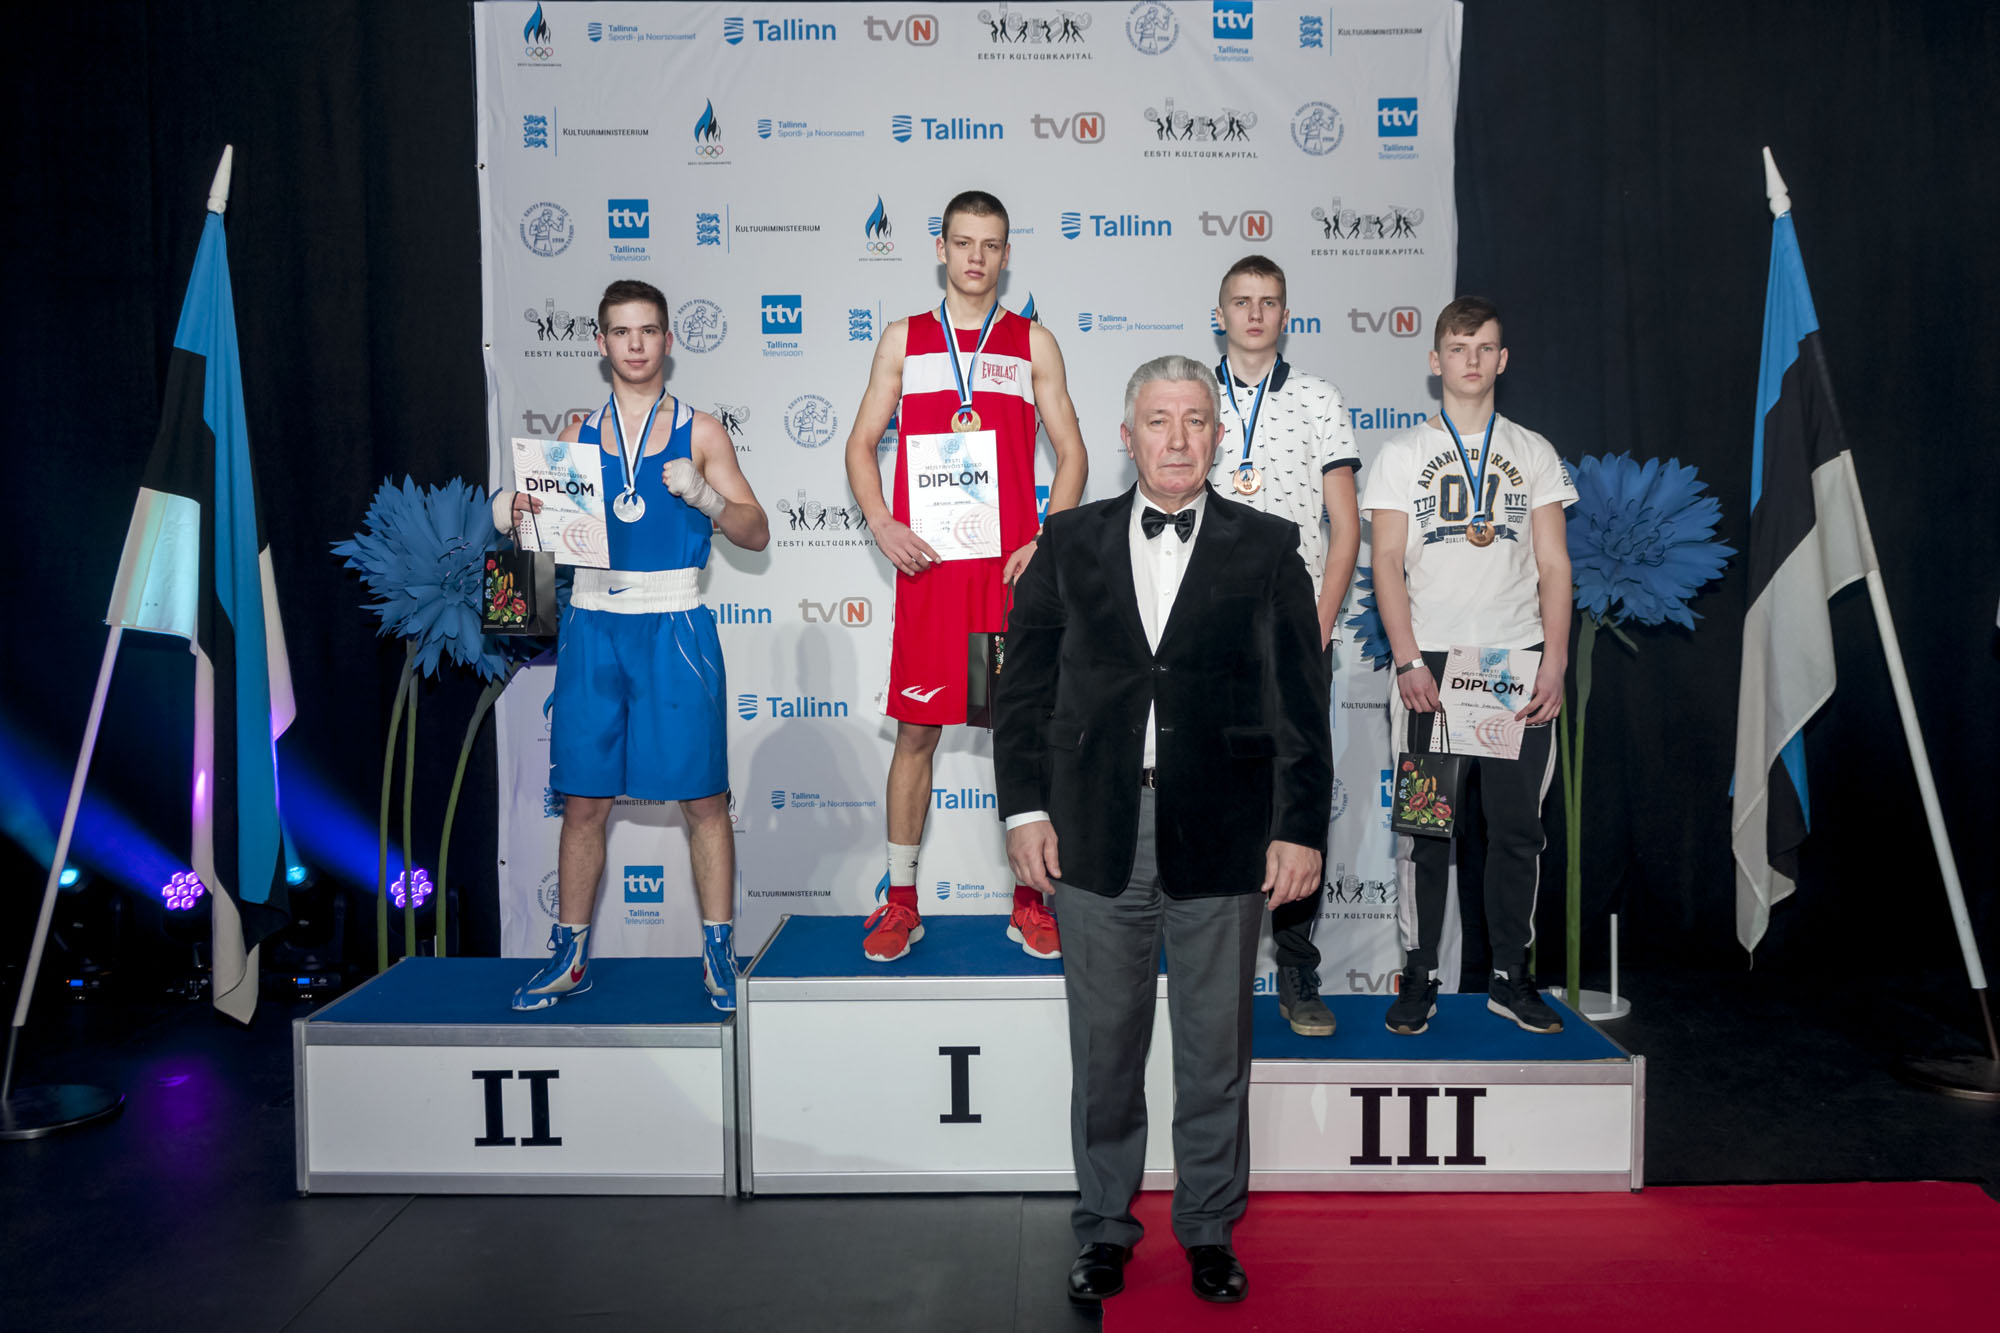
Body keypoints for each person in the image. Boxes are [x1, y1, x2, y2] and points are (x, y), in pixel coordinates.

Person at [995, 356, 1330, 1307]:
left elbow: (1301, 701)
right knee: (1105, 1049)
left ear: (1217, 436)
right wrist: (1024, 809)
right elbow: (1021, 693)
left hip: (1227, 829)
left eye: (1194, 420)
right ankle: (1104, 1227)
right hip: (1092, 828)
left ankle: (1210, 1229)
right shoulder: (1066, 540)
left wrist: (1299, 826)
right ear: (1126, 434)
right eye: (1158, 420)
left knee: (1215, 1051)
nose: (1177, 438)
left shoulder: (1269, 545)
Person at [493, 279, 769, 1013]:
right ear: (601, 342)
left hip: (674, 623)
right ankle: (569, 956)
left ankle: (718, 954)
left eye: (648, 330)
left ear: (668, 342)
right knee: (584, 801)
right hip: (592, 624)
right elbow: (532, 535)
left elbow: (756, 531)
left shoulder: (701, 431)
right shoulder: (576, 435)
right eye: (621, 331)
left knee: (704, 799)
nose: (636, 344)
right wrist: (509, 507)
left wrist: (707, 497)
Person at [843, 190, 1088, 963]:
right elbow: (859, 443)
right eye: (963, 242)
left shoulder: (1034, 342)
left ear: (1007, 255)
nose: (976, 257)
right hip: (932, 572)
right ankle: (901, 900)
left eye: (991, 244)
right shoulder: (903, 339)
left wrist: (1047, 540)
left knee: (1024, 732)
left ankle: (1031, 902)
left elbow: (1073, 454)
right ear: (940, 248)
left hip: (1011, 576)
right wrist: (881, 521)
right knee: (917, 731)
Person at [1359, 297, 1575, 1035]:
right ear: (1436, 360)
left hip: (1514, 664)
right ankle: (1419, 973)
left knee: (1516, 830)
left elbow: (1554, 563)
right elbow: (1387, 562)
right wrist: (1407, 658)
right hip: (1432, 665)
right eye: (1458, 347)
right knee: (1426, 830)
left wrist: (1555, 661)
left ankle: (1511, 976)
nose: (1472, 360)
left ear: (1502, 359)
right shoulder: (1401, 455)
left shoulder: (1533, 451)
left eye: (1484, 347)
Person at [1207, 254, 1361, 1037]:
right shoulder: (1194, 397)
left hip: (1295, 626)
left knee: (1295, 791)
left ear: (1285, 315)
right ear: (1221, 315)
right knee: (1215, 789)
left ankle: (1297, 966)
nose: (1255, 313)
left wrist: (1319, 622)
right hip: (1209, 632)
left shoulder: (1317, 398)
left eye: (1268, 302)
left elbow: (1346, 525)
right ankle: (1215, 970)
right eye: (1242, 301)